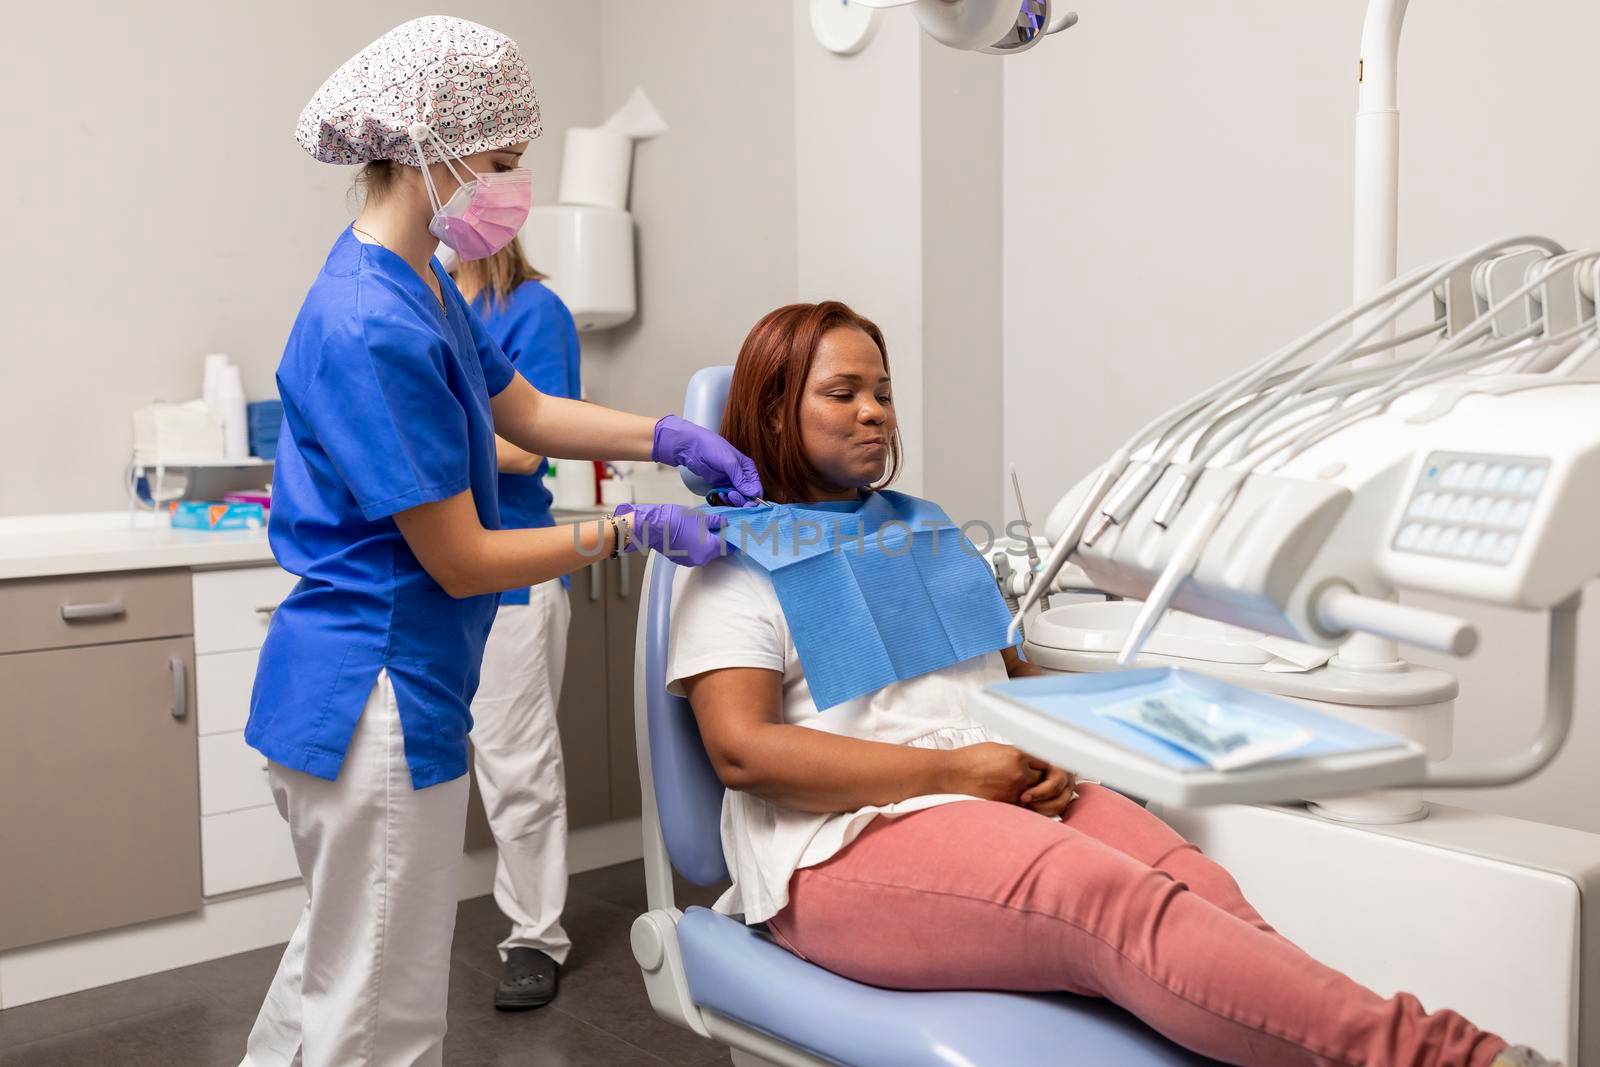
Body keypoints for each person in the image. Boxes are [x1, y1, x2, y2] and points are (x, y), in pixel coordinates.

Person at [665, 300, 1556, 1067]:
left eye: (884, 393)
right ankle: (1449, 1054)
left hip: (990, 791)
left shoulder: (923, 533)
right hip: (840, 842)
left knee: (1193, 882)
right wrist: (957, 774)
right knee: (1110, 901)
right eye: (843, 394)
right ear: (776, 411)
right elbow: (745, 751)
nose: (875, 414)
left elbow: (1010, 675)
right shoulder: (737, 562)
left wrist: (1113, 734)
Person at [240, 17, 758, 1067]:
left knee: (328, 973)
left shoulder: (414, 279)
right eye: (504, 161)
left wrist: (667, 435)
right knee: (379, 1018)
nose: (512, 188)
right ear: (432, 146)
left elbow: (522, 407)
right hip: (373, 695)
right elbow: (464, 557)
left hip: (353, 683)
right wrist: (626, 528)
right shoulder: (368, 321)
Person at [444, 238, 582, 1010]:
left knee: (516, 762)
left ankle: (535, 934)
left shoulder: (533, 309)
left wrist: (418, 451)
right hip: (431, 573)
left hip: (513, 576)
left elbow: (530, 446)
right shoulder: (423, 299)